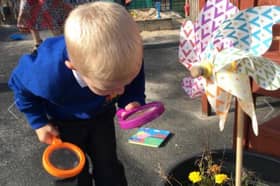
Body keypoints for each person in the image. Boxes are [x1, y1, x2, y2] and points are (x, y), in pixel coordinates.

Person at [8, 2, 145, 186]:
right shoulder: (47, 73)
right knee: (71, 173)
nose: (120, 91)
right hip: (64, 121)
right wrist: (39, 123)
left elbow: (132, 77)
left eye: (124, 82)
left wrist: (132, 99)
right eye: (108, 86)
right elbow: (19, 84)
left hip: (101, 115)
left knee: (108, 166)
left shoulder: (127, 56)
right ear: (75, 67)